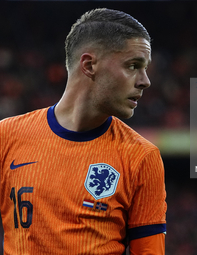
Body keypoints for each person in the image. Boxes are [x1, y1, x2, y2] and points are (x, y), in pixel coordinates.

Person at [0, 8, 167, 255]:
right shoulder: (7, 136)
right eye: (133, 66)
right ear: (89, 65)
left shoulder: (142, 156)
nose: (145, 81)